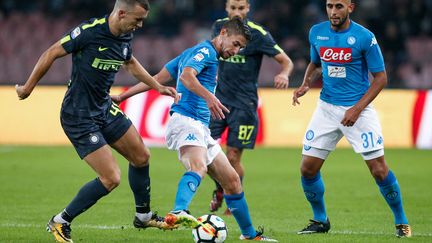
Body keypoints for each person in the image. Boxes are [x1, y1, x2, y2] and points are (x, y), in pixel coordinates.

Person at [15, 0, 178, 242]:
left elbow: (130, 62)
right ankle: (60, 221)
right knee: (111, 178)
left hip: (103, 107)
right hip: (78, 115)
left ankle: (143, 216)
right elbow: (51, 52)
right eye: (137, 20)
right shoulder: (90, 32)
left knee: (141, 156)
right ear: (121, 13)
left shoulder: (125, 34)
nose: (141, 25)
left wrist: (158, 87)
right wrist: (28, 87)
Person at [114, 17, 277, 242]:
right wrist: (209, 97)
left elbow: (157, 79)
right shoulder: (205, 52)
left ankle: (250, 236)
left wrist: (122, 96)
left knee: (232, 181)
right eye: (236, 44)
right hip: (185, 120)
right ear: (223, 33)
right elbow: (186, 77)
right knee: (198, 166)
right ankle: (178, 211)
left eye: (241, 47)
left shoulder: (193, 53)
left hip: (201, 127)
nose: (237, 51)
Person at [292, 0, 411, 238]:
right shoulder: (316, 32)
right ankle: (320, 219)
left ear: (350, 8)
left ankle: (402, 222)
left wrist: (356, 109)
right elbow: (316, 63)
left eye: (339, 6)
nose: (333, 11)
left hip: (359, 110)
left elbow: (381, 78)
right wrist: (306, 83)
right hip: (326, 108)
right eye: (329, 6)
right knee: (307, 169)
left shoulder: (365, 37)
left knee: (378, 169)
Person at [208, 0, 294, 215]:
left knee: (234, 156)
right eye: (233, 8)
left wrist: (283, 74)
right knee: (203, 151)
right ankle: (221, 188)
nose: (237, 12)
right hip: (218, 101)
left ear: (248, 9)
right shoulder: (219, 27)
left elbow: (287, 61)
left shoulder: (258, 33)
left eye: (241, 8)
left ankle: (232, 200)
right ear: (226, 8)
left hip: (244, 105)